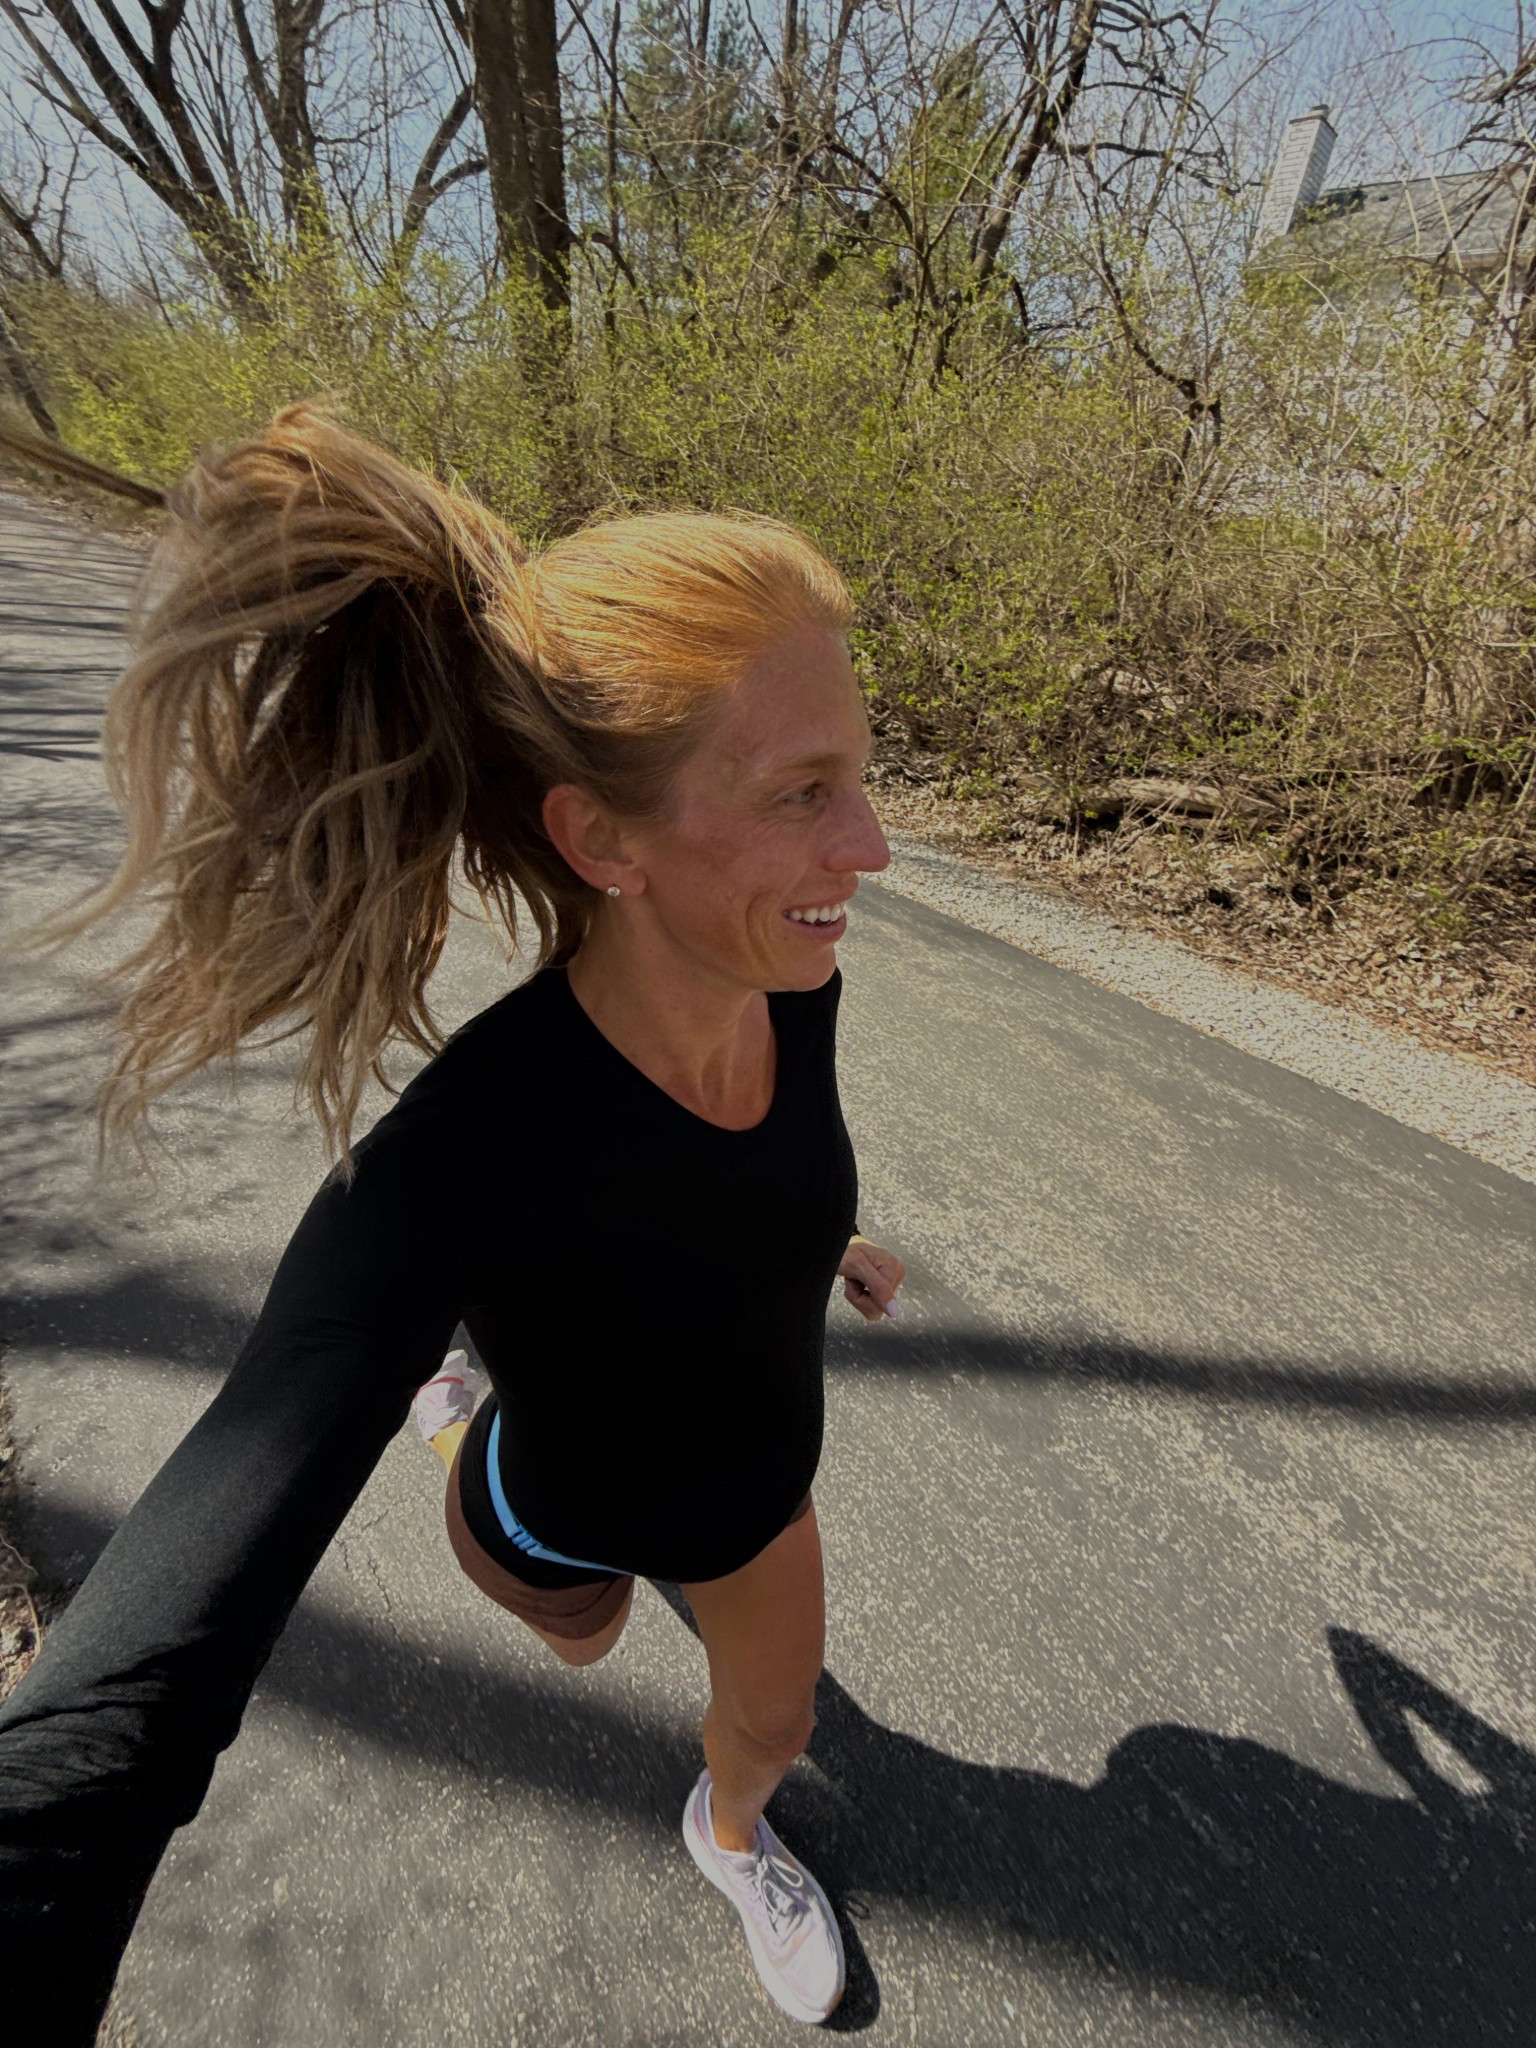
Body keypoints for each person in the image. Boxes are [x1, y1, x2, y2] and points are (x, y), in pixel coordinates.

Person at [0, 405, 906, 2040]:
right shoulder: (446, 1167)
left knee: (764, 1721)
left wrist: (814, 1238)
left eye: (861, 773)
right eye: (802, 793)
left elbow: (742, 1173)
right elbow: (149, 1664)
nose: (873, 845)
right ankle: (451, 1417)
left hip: (755, 1506)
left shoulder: (795, 973)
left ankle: (724, 1841)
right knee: (589, 1639)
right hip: (544, 1524)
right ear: (598, 839)